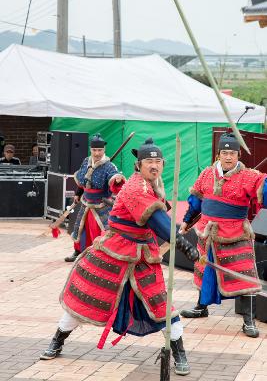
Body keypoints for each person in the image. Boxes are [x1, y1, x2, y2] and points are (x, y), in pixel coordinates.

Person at [40, 137, 199, 376]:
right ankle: (57, 339)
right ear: (139, 165)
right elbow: (158, 222)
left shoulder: (152, 185)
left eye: (158, 161)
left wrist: (182, 239)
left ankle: (179, 352)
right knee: (87, 298)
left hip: (143, 257)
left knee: (161, 303)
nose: (154, 166)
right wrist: (185, 245)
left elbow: (161, 217)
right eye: (149, 162)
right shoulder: (137, 188)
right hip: (114, 253)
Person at [179, 132, 267, 338]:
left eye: (233, 153)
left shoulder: (250, 176)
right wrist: (186, 221)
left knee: (244, 276)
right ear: (218, 154)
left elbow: (265, 191)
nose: (228, 157)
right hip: (207, 231)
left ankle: (248, 320)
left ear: (238, 155)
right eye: (225, 153)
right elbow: (196, 201)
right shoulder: (207, 174)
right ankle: (201, 307)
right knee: (204, 269)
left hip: (235, 232)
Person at [64, 133, 126, 262]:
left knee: (101, 231)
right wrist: (78, 194)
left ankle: (100, 255)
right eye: (94, 150)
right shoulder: (86, 161)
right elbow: (83, 179)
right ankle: (78, 252)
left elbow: (114, 177)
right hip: (86, 202)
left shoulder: (109, 166)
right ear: (90, 150)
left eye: (100, 150)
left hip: (101, 205)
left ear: (104, 150)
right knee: (81, 229)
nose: (97, 153)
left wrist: (117, 179)